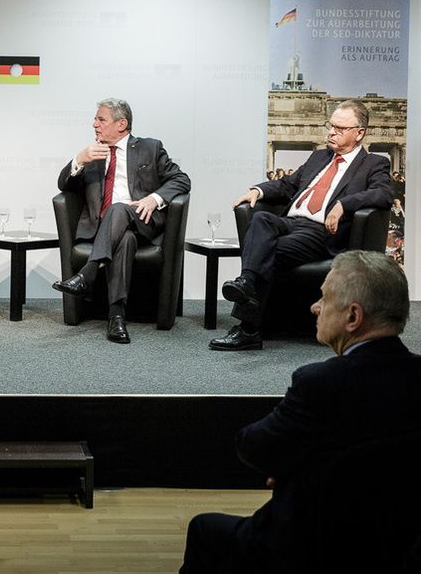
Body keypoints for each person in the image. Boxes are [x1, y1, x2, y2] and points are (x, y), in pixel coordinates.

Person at [181, 250, 421, 573]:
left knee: (202, 530)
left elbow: (252, 446)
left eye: (324, 299)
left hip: (303, 550)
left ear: (353, 317)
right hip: (396, 549)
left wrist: (290, 468)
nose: (314, 307)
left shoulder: (319, 384)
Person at [210, 99, 394, 351]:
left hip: (319, 233)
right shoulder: (319, 157)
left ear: (359, 133)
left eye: (340, 129)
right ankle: (247, 284)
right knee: (261, 219)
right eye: (331, 126)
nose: (332, 132)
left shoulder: (373, 163)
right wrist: (257, 191)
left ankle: (248, 327)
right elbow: (287, 184)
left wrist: (345, 204)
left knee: (267, 251)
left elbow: (383, 194)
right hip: (289, 222)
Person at [51, 98, 191, 344]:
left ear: (121, 124)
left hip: (142, 221)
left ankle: (87, 274)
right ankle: (116, 318)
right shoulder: (94, 154)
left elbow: (181, 180)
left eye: (101, 119)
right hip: (104, 229)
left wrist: (155, 199)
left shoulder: (150, 147)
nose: (94, 124)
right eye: (95, 119)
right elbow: (65, 185)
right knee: (123, 240)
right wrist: (79, 160)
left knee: (119, 209)